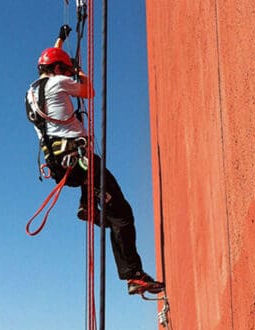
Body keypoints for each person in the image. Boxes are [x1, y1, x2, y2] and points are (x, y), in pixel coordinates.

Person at [25, 25, 164, 295]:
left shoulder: (30, 94)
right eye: (63, 71)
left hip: (60, 164)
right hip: (77, 160)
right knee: (122, 215)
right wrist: (77, 70)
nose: (67, 75)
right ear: (57, 70)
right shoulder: (59, 81)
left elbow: (52, 64)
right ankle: (133, 275)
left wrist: (61, 40)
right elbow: (88, 91)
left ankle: (87, 205)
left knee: (96, 171)